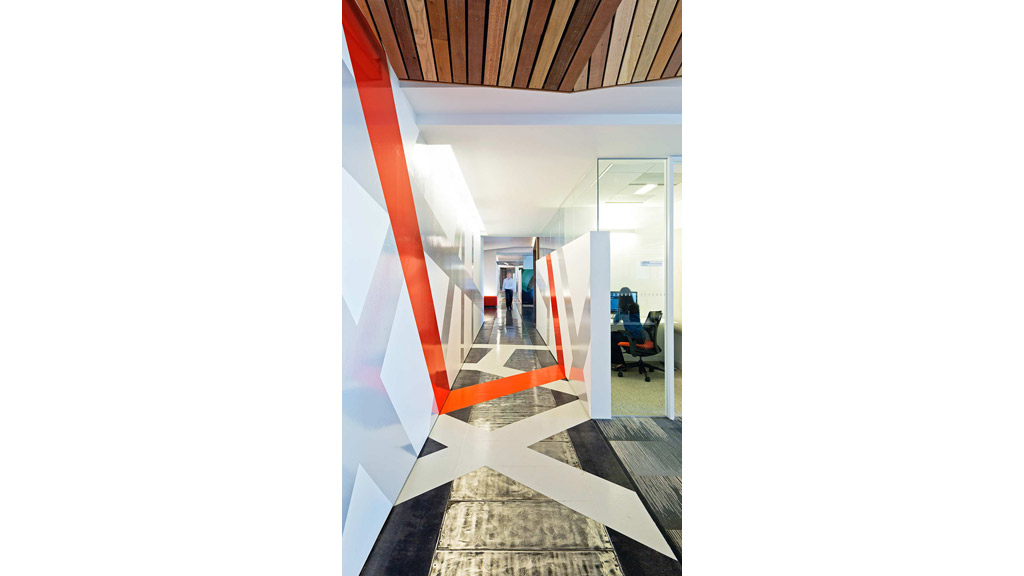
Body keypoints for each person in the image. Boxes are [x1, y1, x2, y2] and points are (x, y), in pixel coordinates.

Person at [612, 302, 644, 369]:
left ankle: (619, 363)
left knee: (611, 337)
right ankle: (618, 361)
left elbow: (615, 321)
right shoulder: (635, 307)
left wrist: (619, 310)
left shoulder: (624, 311)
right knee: (614, 335)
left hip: (632, 337)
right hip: (641, 336)